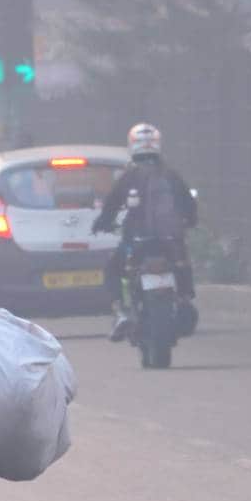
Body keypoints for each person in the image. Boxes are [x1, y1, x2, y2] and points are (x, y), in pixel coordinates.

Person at [92, 123, 197, 341]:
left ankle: (120, 312)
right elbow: (189, 204)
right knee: (183, 263)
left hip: (137, 240)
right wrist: (190, 222)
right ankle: (185, 298)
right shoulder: (171, 175)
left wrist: (101, 224)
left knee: (112, 269)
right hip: (170, 241)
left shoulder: (129, 177)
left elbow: (111, 205)